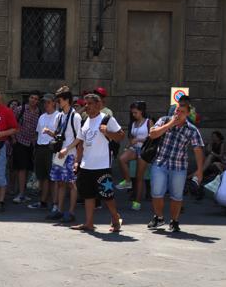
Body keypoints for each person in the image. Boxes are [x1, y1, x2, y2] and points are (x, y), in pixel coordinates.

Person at [146, 95, 205, 233]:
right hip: (160, 163)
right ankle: (159, 217)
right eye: (177, 110)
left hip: (179, 166)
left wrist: (200, 170)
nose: (178, 113)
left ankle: (174, 221)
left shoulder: (192, 129)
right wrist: (170, 124)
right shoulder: (164, 120)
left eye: (182, 112)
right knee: (156, 192)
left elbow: (198, 149)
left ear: (187, 114)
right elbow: (152, 134)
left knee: (177, 196)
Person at [72, 93, 125, 232]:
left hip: (102, 166)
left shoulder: (107, 119)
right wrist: (77, 162)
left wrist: (108, 132)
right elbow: (81, 144)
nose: (87, 106)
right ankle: (89, 223)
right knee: (88, 195)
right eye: (85, 104)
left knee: (107, 196)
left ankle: (115, 217)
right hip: (86, 165)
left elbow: (121, 136)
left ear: (98, 104)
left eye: (90, 103)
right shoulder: (84, 121)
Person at [44, 87, 82, 224]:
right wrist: (50, 133)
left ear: (66, 100)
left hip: (69, 154)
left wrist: (67, 149)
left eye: (59, 100)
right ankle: (59, 210)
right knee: (59, 182)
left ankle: (71, 212)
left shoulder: (75, 116)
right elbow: (58, 134)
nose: (57, 102)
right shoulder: (59, 116)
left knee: (71, 183)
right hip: (59, 154)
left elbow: (79, 137)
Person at [116, 101, 151, 211]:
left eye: (135, 112)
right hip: (134, 148)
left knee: (139, 176)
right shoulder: (133, 123)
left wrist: (139, 139)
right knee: (121, 159)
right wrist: (129, 145)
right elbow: (131, 138)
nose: (133, 114)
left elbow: (152, 137)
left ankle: (137, 202)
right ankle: (127, 181)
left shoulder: (148, 122)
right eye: (132, 113)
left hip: (144, 150)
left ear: (141, 111)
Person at [10, 91, 41, 204]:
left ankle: (23, 192)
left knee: (27, 168)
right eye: (32, 97)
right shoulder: (20, 109)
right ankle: (21, 193)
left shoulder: (39, 112)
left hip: (31, 143)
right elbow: (11, 123)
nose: (33, 100)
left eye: (36, 99)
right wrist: (13, 138)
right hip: (19, 141)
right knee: (21, 168)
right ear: (28, 98)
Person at [29, 93, 58, 211]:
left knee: (53, 178)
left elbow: (61, 135)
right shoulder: (42, 116)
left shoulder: (59, 116)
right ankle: (43, 201)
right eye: (44, 102)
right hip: (40, 148)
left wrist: (50, 133)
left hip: (52, 149)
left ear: (54, 103)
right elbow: (38, 133)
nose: (46, 104)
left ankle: (55, 204)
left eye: (48, 102)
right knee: (43, 177)